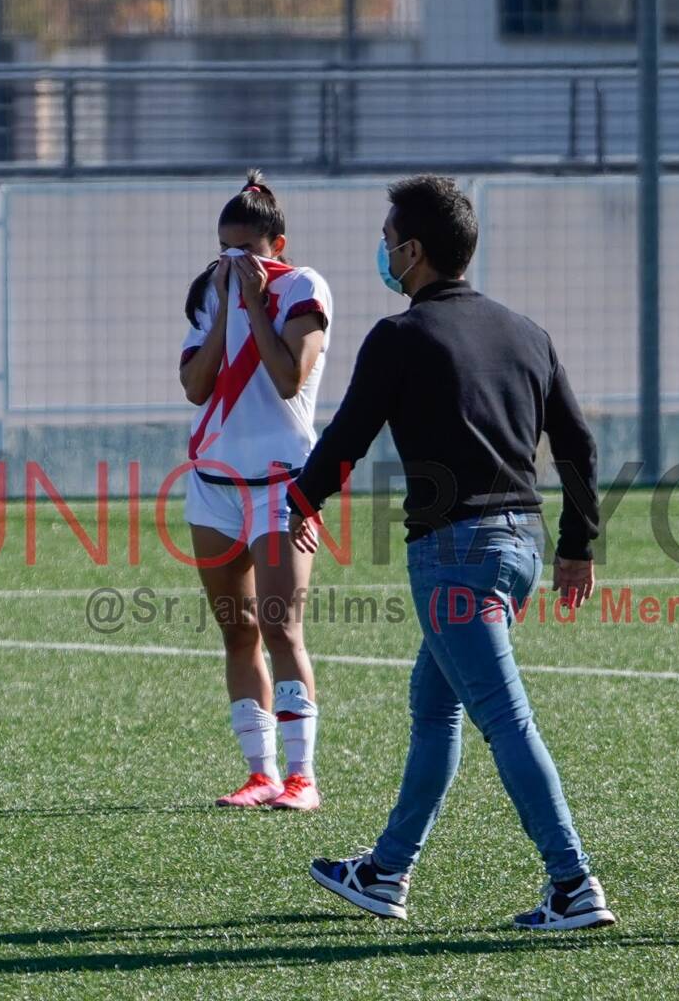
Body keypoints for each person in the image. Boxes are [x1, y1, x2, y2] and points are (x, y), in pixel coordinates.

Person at [288, 175, 613, 930]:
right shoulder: (525, 331)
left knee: (504, 718)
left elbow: (346, 436)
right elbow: (577, 444)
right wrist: (576, 545)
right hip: (520, 548)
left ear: (413, 250)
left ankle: (572, 883)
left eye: (388, 235)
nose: (382, 248)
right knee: (434, 707)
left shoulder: (400, 336)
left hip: (453, 554)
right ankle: (386, 871)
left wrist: (299, 502)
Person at [178, 171, 334, 811]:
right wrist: (225, 309)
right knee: (236, 632)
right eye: (226, 250)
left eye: (250, 250)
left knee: (281, 628)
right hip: (213, 483)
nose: (237, 262)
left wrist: (252, 302)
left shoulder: (303, 288)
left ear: (278, 244)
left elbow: (288, 377)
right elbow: (195, 386)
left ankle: (302, 777)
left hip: (280, 484)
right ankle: (260, 771)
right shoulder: (209, 293)